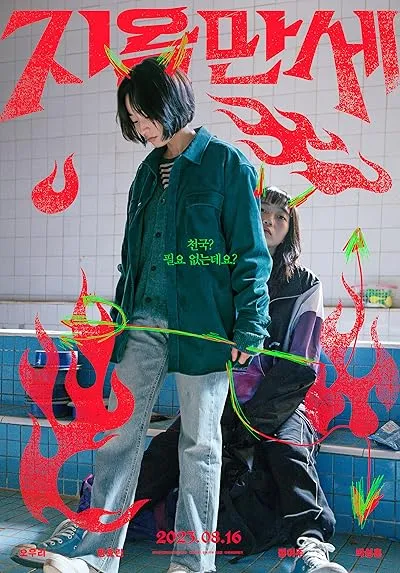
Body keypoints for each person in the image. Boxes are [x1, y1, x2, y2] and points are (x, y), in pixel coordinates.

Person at [12, 188, 348, 573]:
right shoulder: (223, 275)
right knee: (162, 453)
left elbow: (301, 366)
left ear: (291, 230)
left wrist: (251, 422)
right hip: (218, 398)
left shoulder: (305, 285)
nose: (269, 220)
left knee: (288, 451)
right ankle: (87, 527)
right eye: (262, 211)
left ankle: (313, 548)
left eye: (281, 216)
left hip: (279, 405)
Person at [28, 57, 270, 573]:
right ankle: (98, 558)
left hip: (203, 330)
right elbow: (133, 255)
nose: (139, 128)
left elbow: (251, 256)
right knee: (118, 436)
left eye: (143, 115)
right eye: (133, 119)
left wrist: (250, 326)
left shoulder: (228, 165)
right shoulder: (145, 173)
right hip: (141, 323)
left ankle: (192, 563)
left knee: (200, 446)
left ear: (171, 102)